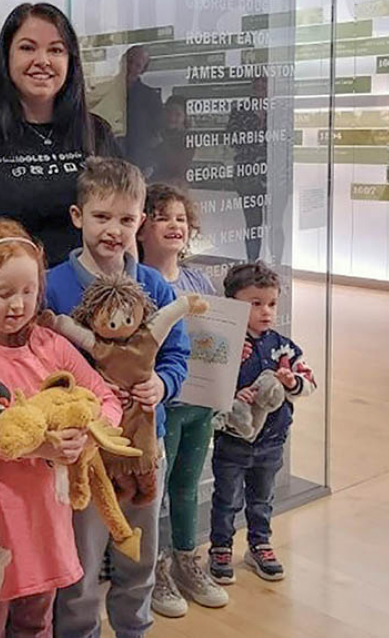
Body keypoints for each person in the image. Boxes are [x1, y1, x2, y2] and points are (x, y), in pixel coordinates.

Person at [0, 218, 122, 637]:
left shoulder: (52, 345)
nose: (17, 305)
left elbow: (108, 400)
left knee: (37, 618)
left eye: (28, 292)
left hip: (46, 510)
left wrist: (86, 437)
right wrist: (39, 449)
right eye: (2, 292)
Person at [47, 159, 191, 638]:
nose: (114, 231)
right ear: (77, 216)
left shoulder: (153, 285)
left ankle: (134, 628)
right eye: (102, 217)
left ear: (140, 223)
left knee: (138, 555)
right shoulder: (53, 287)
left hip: (145, 448)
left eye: (127, 220)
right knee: (82, 563)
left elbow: (176, 353)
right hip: (85, 455)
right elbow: (41, 365)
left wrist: (163, 386)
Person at [0, 2, 122, 331]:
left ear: (70, 61)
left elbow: (124, 227)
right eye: (27, 48)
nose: (42, 61)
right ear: (6, 58)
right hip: (5, 322)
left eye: (56, 50)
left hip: (98, 320)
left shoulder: (97, 134)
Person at [137, 184, 228, 616]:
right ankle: (154, 571)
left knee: (188, 485)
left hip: (199, 405)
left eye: (180, 218)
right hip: (162, 408)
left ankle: (189, 560)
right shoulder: (136, 285)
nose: (174, 225)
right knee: (154, 492)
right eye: (161, 216)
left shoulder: (199, 280)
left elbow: (215, 345)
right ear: (141, 227)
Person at [208, 262, 316, 585]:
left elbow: (309, 381)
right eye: (255, 303)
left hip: (271, 441)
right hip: (232, 440)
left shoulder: (284, 347)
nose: (265, 311)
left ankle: (260, 543)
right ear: (233, 302)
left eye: (271, 303)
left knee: (261, 497)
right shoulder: (223, 344)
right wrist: (231, 396)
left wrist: (291, 381)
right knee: (226, 498)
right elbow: (210, 387)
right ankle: (221, 547)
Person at [226, 76, 269, 261]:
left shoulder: (278, 110)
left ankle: (276, 262)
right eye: (256, 82)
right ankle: (253, 263)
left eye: (264, 82)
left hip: (273, 174)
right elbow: (232, 138)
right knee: (253, 222)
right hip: (247, 174)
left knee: (276, 224)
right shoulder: (240, 110)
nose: (259, 86)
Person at [124, 46, 164, 170]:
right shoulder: (104, 90)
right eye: (129, 62)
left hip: (137, 163)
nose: (131, 67)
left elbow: (157, 134)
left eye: (138, 65)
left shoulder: (151, 97)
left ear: (143, 70)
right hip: (108, 161)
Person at [146, 96, 194, 188]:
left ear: (185, 118)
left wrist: (161, 145)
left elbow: (178, 166)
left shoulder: (187, 139)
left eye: (177, 114)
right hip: (154, 185)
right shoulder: (155, 133)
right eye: (168, 112)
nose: (172, 117)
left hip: (175, 186)